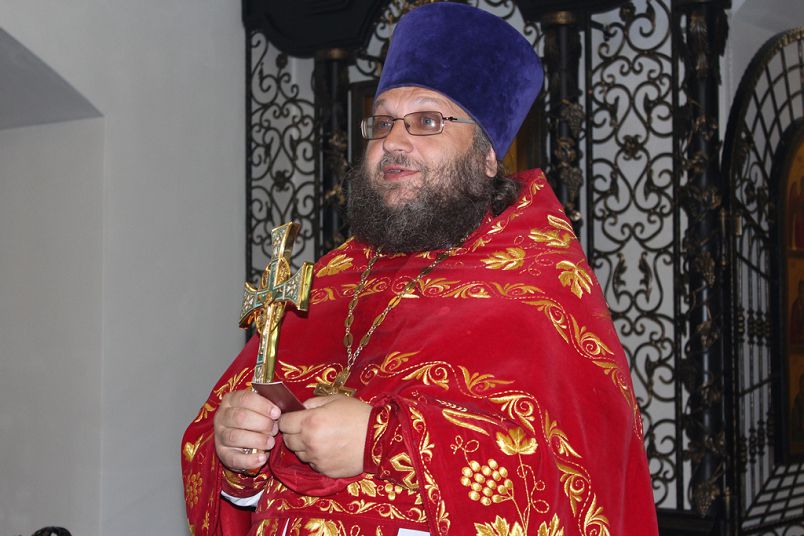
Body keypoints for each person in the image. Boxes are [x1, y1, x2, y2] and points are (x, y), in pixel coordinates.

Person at [182, 3, 658, 535]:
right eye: (383, 121)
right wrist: (237, 450)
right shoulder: (330, 280)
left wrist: (379, 442)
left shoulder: (536, 289)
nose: (393, 141)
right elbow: (232, 462)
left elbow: (570, 477)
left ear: (487, 156)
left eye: (427, 121)